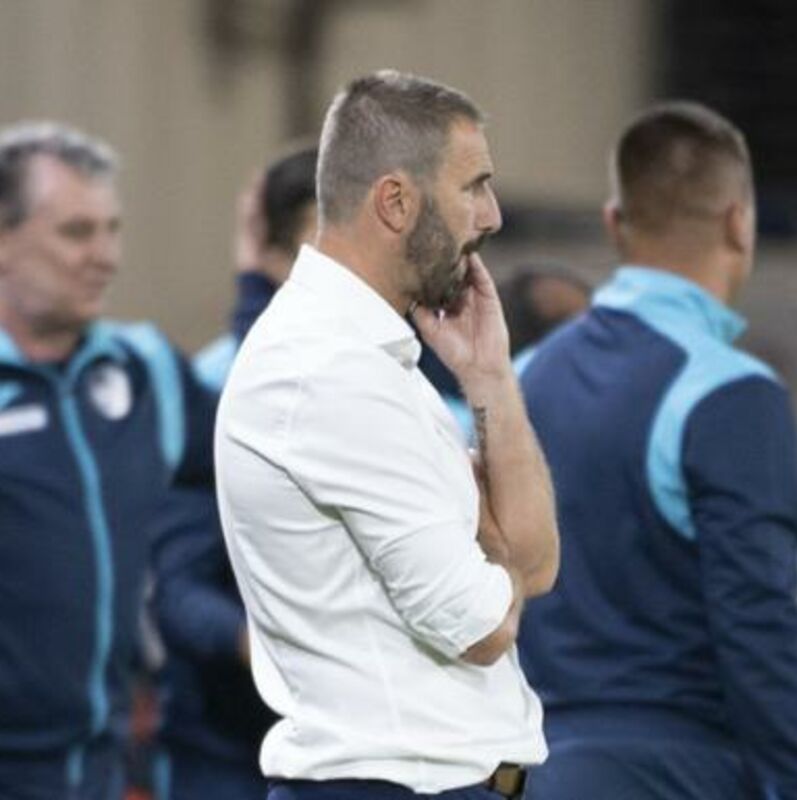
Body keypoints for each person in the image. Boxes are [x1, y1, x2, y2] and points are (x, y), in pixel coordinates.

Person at [214, 71, 559, 799]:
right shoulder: (326, 369)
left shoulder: (373, 357)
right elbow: (481, 626)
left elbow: (536, 566)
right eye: (474, 186)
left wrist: (490, 378)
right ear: (396, 201)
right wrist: (493, 543)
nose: (492, 216)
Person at [517, 101, 797, 800]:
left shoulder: (520, 380)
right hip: (677, 772)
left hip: (525, 772)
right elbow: (757, 628)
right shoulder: (730, 394)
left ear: (615, 222)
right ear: (739, 222)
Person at [0, 121, 217, 798]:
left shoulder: (145, 370)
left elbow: (271, 464)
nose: (105, 256)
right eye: (76, 232)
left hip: (103, 768)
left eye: (112, 230)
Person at [149, 145, 318, 800]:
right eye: (319, 248)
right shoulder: (215, 387)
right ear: (268, 255)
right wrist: (258, 644)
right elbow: (178, 586)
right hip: (225, 745)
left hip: (354, 743)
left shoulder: (408, 376)